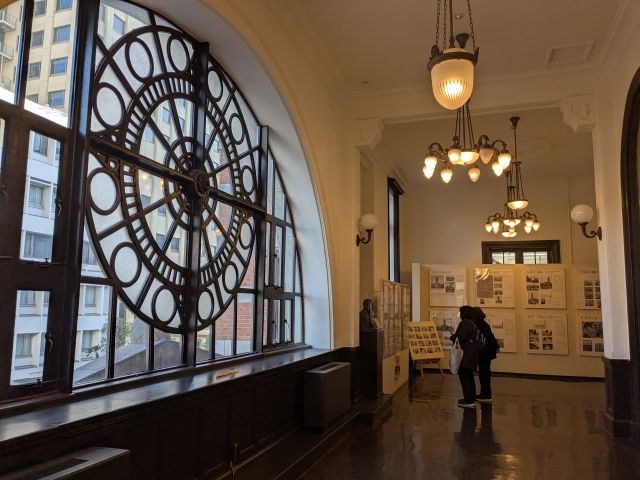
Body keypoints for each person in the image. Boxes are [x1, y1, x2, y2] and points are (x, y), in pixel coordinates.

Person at [450, 305, 479, 408]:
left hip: (466, 353)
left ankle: (468, 399)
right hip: (471, 353)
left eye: (461, 312)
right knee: (468, 375)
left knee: (464, 374)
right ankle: (470, 398)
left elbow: (460, 337)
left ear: (464, 314)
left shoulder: (465, 323)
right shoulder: (472, 322)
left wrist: (452, 337)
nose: (460, 315)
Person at [471, 306, 499, 402]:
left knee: (484, 374)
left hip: (484, 352)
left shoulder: (479, 325)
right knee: (484, 373)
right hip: (487, 352)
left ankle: (486, 395)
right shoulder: (483, 323)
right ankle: (485, 393)